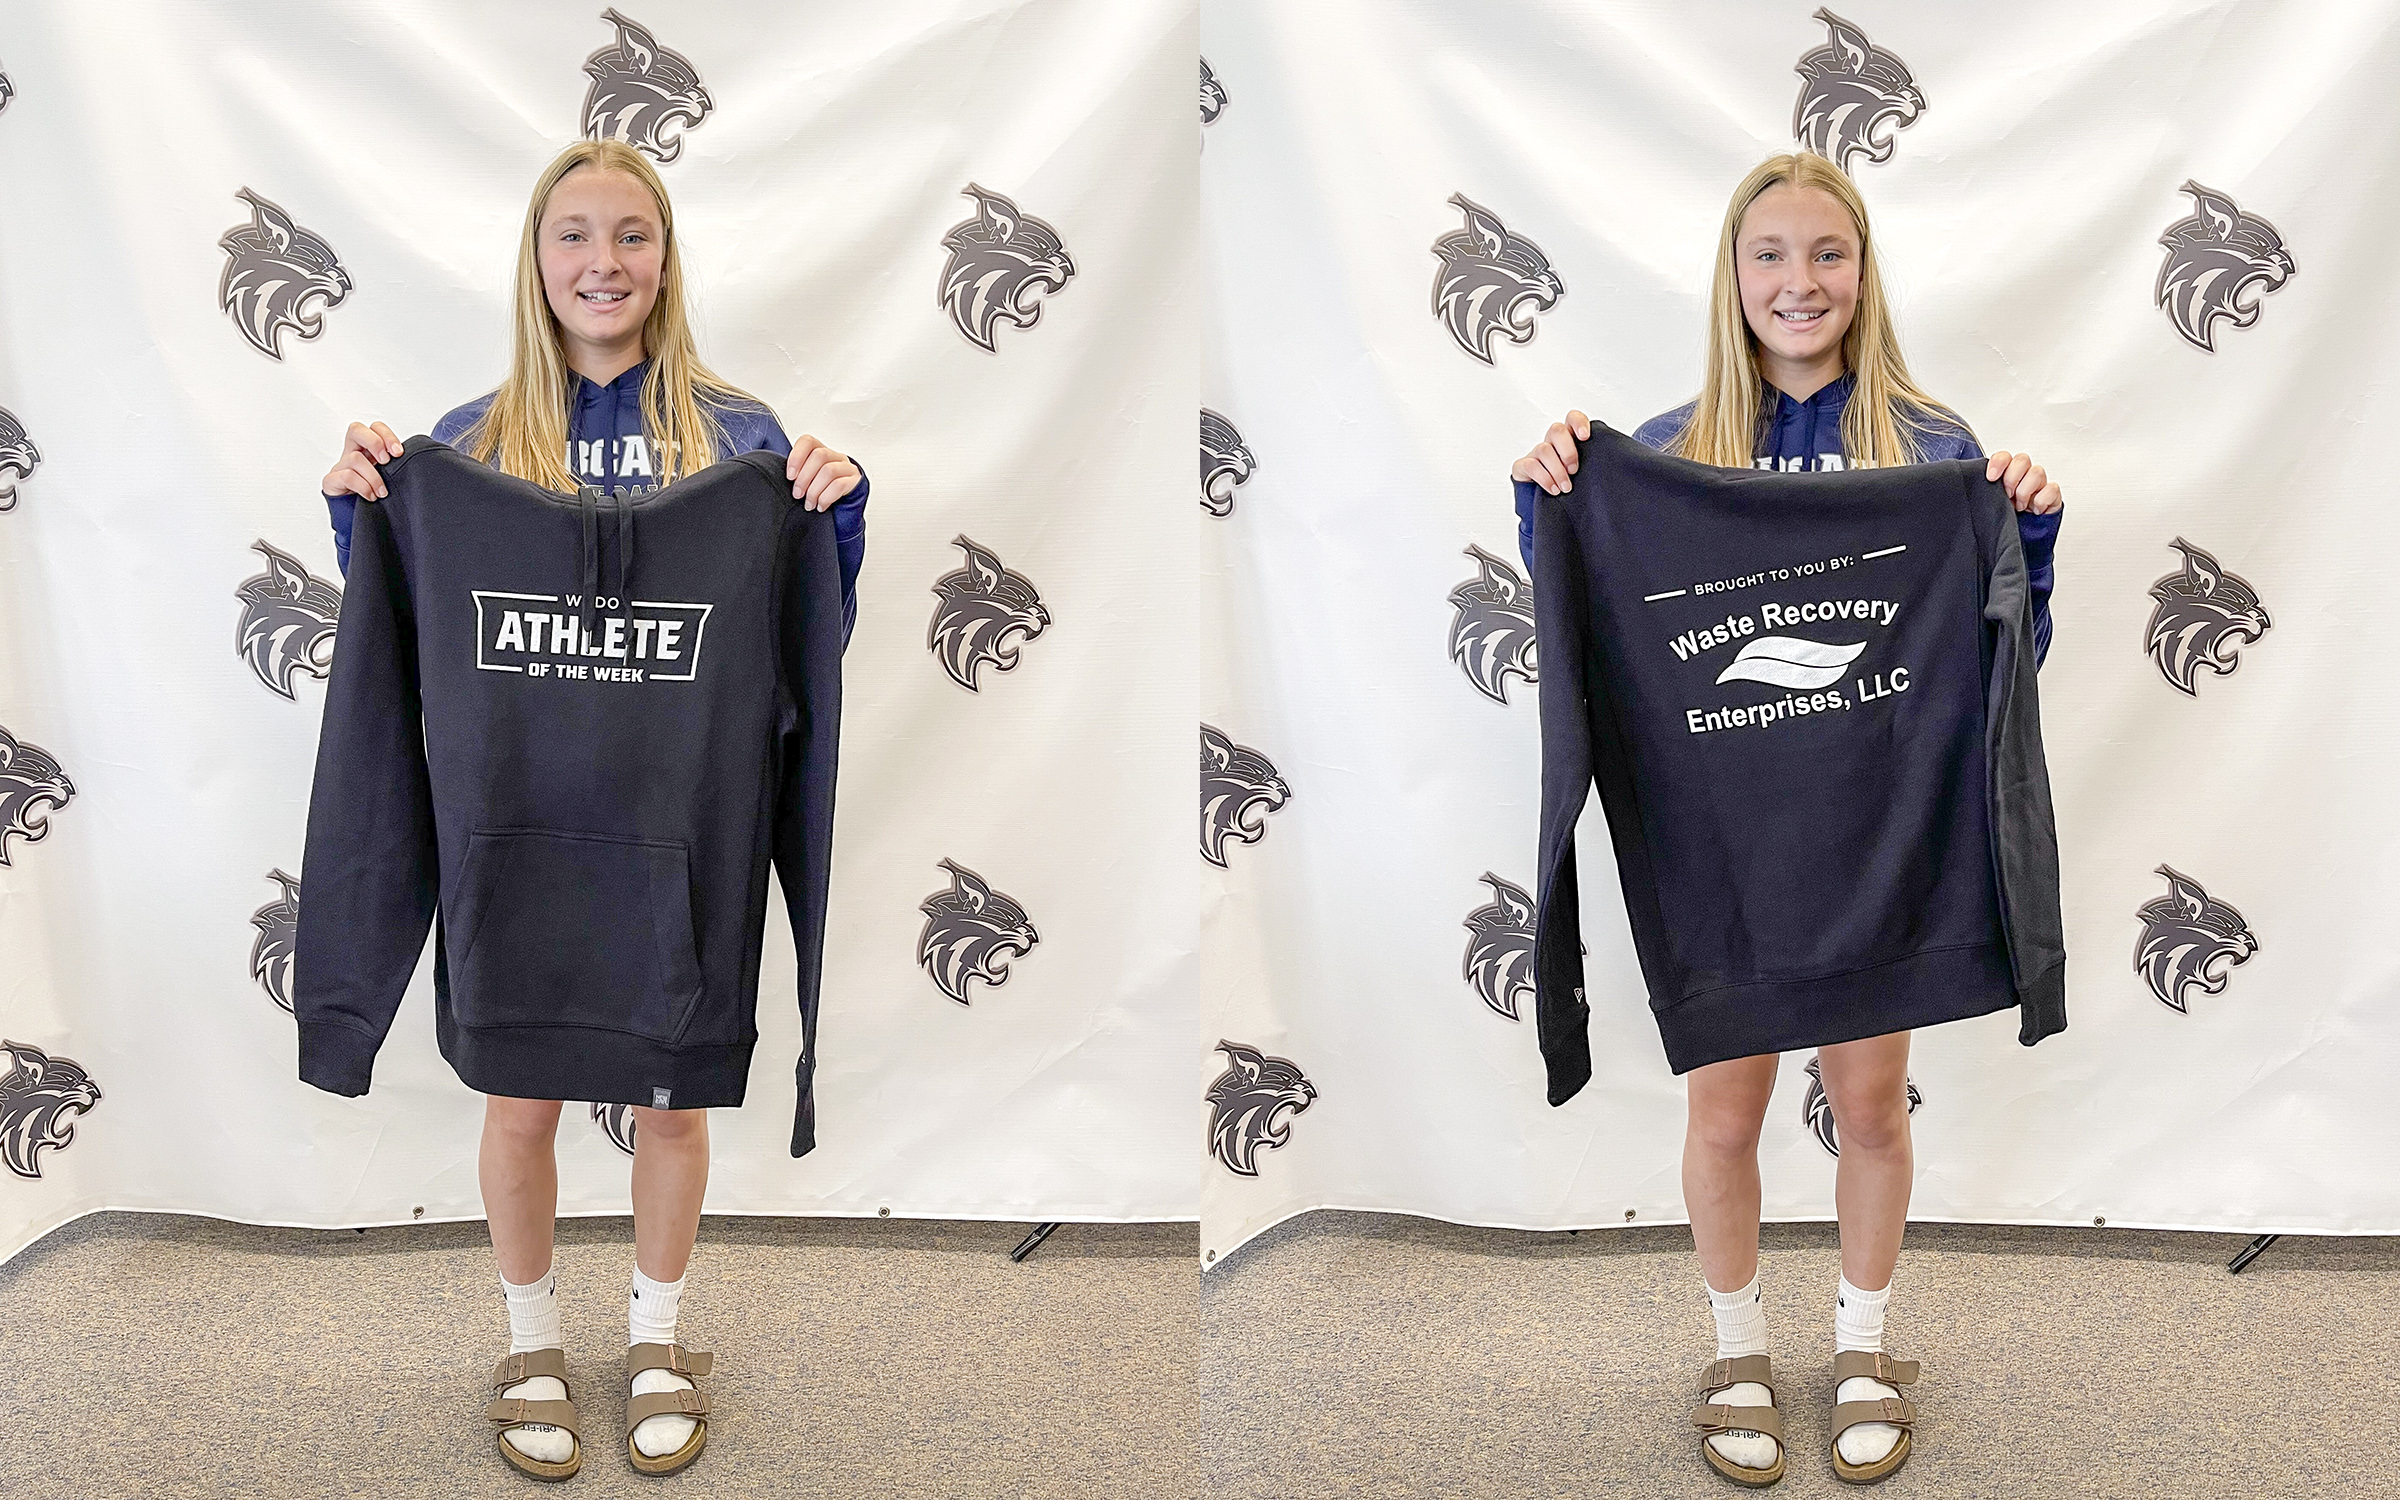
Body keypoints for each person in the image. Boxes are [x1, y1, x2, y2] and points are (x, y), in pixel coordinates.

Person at [1508, 149, 2063, 1488]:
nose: (1799, 281)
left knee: (1870, 1105)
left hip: (1882, 842)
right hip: (1728, 847)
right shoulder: (1664, 453)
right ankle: (1737, 1350)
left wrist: (2025, 536)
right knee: (1722, 1119)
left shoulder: (1932, 453)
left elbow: (1996, 671)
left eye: (1827, 253)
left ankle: (1866, 1347)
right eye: (1771, 255)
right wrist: (1548, 502)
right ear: (1732, 275)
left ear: (1863, 273)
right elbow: (1596, 631)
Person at [316, 138, 869, 1480]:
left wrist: (834, 516)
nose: (602, 263)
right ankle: (527, 1341)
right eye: (574, 236)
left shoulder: (742, 439)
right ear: (536, 258)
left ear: (666, 258)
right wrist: (358, 511)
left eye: (631, 235)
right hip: (514, 838)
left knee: (672, 1109)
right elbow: (408, 637)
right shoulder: (464, 440)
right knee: (520, 1105)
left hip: (683, 844)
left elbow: (805, 639)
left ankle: (660, 1336)